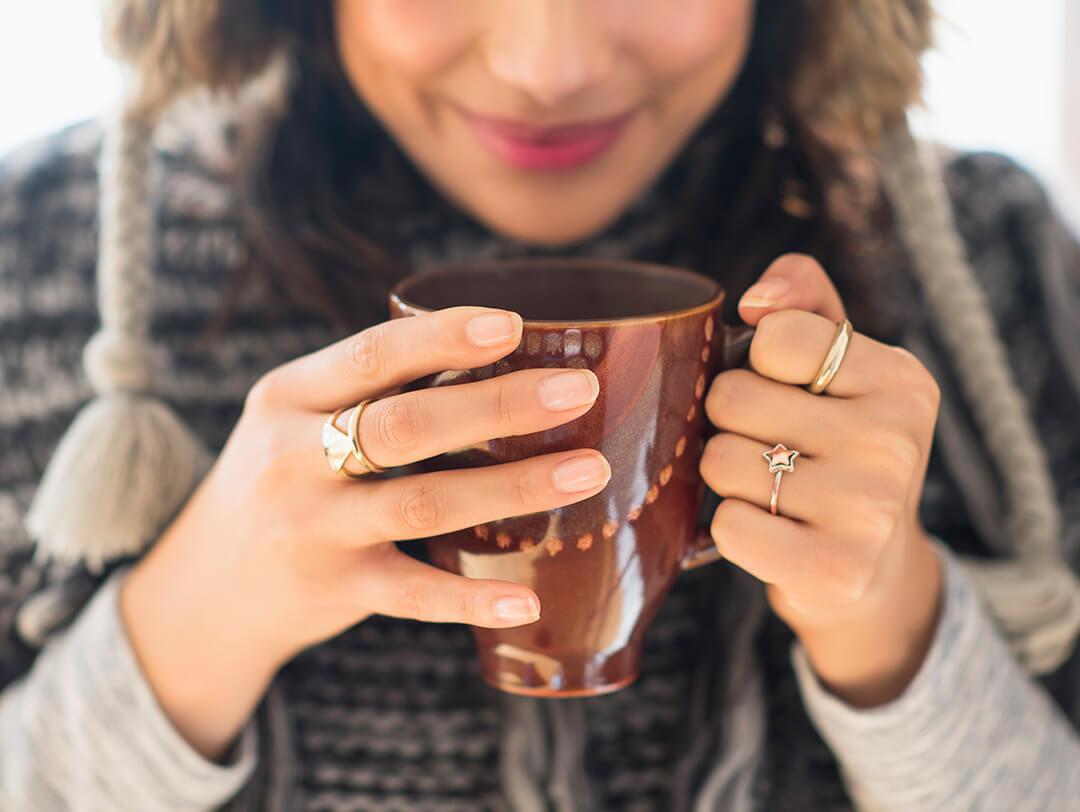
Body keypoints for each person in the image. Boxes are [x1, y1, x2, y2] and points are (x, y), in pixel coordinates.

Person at [1, 1, 1079, 809]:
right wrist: (191, 622)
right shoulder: (38, 255)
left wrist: (896, 623)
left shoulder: (990, 266)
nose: (545, 66)